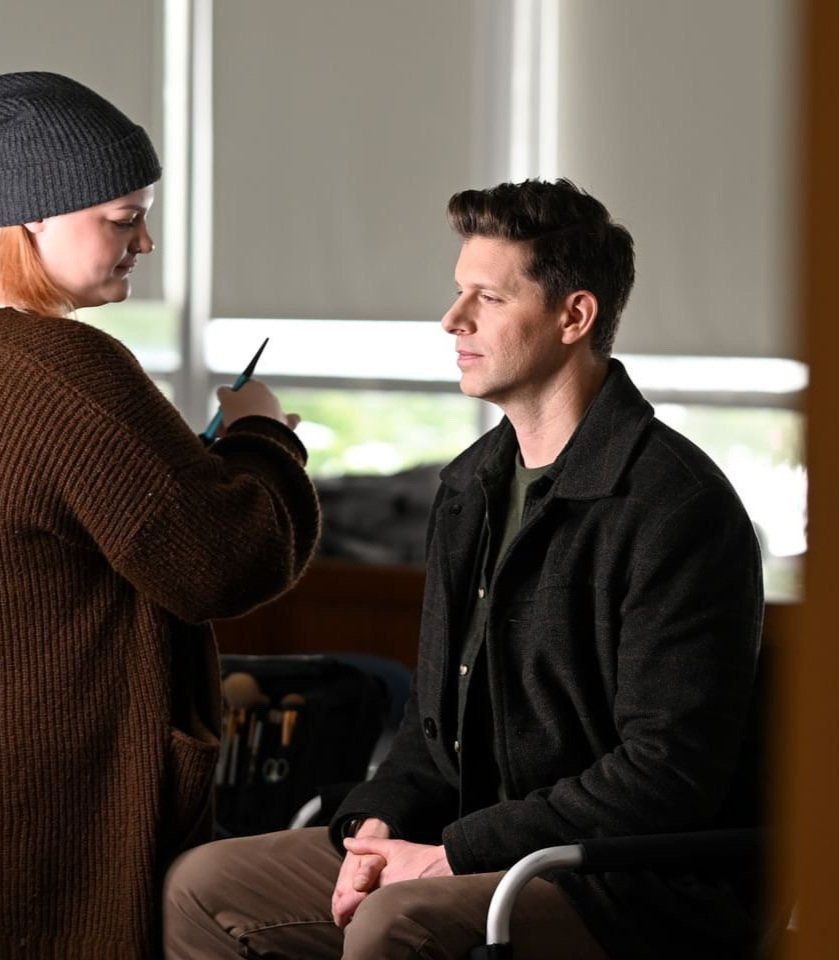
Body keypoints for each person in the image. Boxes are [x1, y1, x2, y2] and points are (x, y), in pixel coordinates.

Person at [163, 179, 763, 960]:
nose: (452, 320)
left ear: (572, 316)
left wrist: (453, 855)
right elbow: (431, 731)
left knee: (395, 923)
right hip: (469, 841)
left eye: (486, 297)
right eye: (457, 293)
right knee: (203, 885)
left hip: (617, 882)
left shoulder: (674, 507)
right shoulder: (467, 487)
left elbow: (662, 776)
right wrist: (376, 823)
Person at [0, 72, 320, 958]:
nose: (145, 239)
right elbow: (222, 559)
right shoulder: (62, 370)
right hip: (54, 799)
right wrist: (260, 438)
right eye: (120, 216)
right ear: (28, 216)